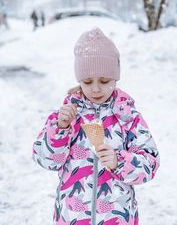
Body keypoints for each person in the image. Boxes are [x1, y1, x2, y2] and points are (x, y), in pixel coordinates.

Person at [32, 28, 160, 225]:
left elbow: (150, 164)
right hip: (72, 217)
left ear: (116, 77)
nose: (96, 88)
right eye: (87, 81)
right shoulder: (68, 115)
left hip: (116, 217)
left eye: (104, 80)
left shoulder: (128, 118)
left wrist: (120, 161)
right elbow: (47, 160)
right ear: (79, 80)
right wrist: (60, 129)